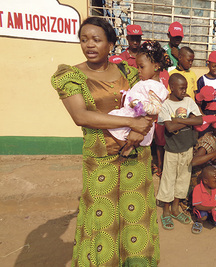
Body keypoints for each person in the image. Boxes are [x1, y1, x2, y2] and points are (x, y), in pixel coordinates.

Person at [51, 17, 158, 266]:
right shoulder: (71, 75)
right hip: (101, 161)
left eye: (97, 40)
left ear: (111, 44)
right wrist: (131, 123)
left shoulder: (128, 72)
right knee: (101, 219)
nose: (89, 45)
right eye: (84, 39)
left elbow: (150, 105)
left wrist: (139, 131)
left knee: (135, 219)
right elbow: (81, 116)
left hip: (135, 157)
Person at [156, 73, 203, 230]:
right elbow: (169, 127)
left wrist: (178, 120)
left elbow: (199, 120)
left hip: (187, 148)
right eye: (181, 88)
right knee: (169, 180)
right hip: (172, 149)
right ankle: (166, 211)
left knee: (183, 179)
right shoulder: (165, 105)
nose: (184, 91)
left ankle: (176, 208)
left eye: (185, 88)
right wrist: (187, 120)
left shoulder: (189, 101)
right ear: (172, 87)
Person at [108, 40, 171, 151]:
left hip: (137, 120)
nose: (138, 71)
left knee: (109, 121)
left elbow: (156, 108)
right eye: (137, 67)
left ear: (156, 67)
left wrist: (138, 105)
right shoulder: (148, 82)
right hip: (133, 116)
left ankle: (125, 148)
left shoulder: (155, 87)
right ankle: (126, 148)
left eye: (142, 67)